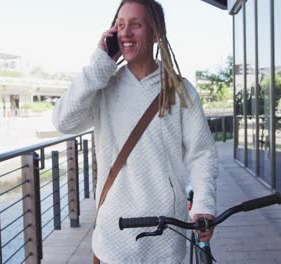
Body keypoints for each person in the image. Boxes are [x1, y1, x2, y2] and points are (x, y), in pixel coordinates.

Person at [52, 0, 218, 263]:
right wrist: (99, 65)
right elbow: (63, 121)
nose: (125, 32)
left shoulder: (181, 91)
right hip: (113, 238)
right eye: (120, 25)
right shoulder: (103, 87)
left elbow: (202, 154)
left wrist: (203, 206)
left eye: (136, 25)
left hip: (166, 235)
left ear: (156, 33)